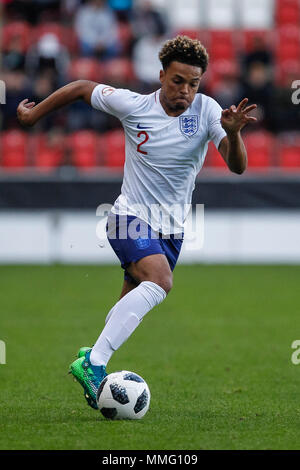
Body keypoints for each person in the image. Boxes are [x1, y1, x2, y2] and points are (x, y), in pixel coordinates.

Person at [17, 35, 257, 410]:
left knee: (133, 300)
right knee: (161, 281)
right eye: (178, 81)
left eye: (193, 84)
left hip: (172, 231)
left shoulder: (208, 111)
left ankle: (92, 355)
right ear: (161, 75)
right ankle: (94, 365)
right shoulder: (134, 105)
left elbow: (237, 166)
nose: (185, 91)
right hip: (128, 217)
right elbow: (82, 88)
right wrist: (33, 115)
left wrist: (234, 132)